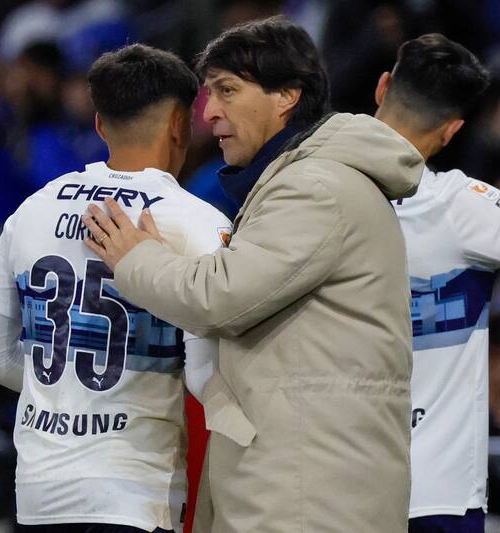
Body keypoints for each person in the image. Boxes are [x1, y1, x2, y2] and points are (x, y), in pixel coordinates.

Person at [81, 16, 424, 532]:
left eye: (227, 90)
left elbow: (220, 296)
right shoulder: (305, 178)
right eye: (208, 94)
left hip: (310, 495)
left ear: (287, 96)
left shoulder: (315, 187)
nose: (209, 112)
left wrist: (136, 258)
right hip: (302, 479)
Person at [0, 43, 232, 532]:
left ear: (99, 124)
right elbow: (207, 376)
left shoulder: (31, 210)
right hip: (136, 491)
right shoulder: (199, 222)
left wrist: (66, 393)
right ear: (180, 123)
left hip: (39, 491)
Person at [373, 34, 492, 532]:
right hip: (438, 494)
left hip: (334, 489)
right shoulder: (462, 207)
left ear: (383, 87)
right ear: (452, 129)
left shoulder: (306, 190)